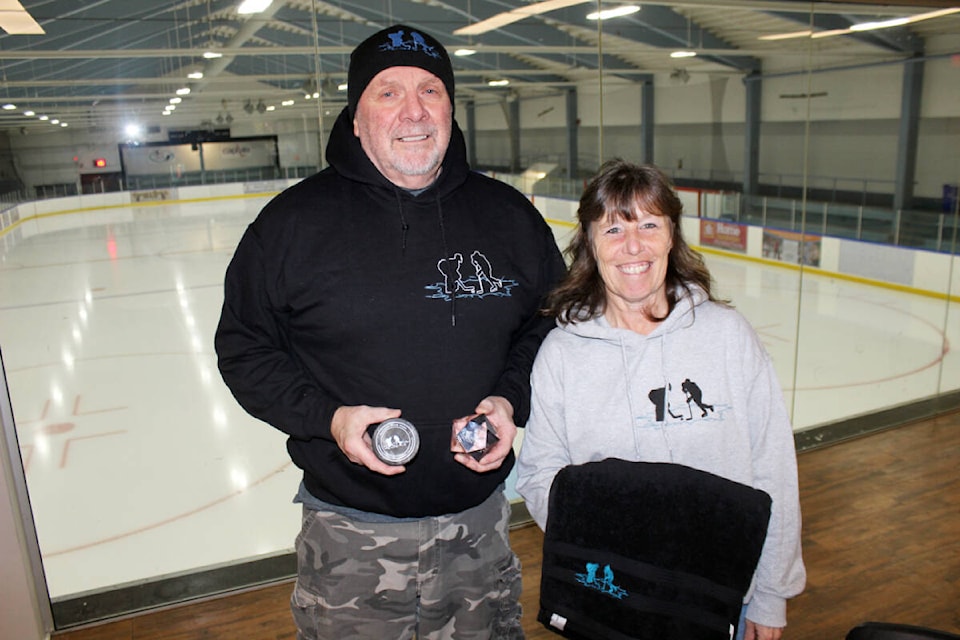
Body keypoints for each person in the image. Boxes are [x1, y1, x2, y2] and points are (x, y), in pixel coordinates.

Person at [215, 24, 566, 640]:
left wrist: (511, 400)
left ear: (451, 108)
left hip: (478, 527)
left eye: (430, 90)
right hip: (350, 539)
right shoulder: (291, 226)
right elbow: (245, 350)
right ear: (355, 117)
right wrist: (329, 418)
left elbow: (548, 327)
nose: (413, 111)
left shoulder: (509, 217)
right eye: (388, 92)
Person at [515, 160, 806, 640]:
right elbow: (540, 473)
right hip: (610, 600)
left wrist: (770, 595)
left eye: (650, 224)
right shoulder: (562, 354)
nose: (634, 245)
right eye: (613, 229)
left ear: (672, 235)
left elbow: (772, 468)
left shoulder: (727, 336)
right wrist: (613, 540)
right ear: (590, 242)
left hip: (721, 598)